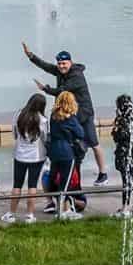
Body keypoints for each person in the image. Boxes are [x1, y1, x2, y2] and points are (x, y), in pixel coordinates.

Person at [24, 42, 106, 183]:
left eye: (64, 63)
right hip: (70, 113)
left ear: (71, 62)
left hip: (84, 114)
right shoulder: (60, 71)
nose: (61, 66)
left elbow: (63, 90)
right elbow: (46, 66)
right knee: (69, 143)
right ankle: (69, 171)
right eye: (60, 63)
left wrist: (45, 88)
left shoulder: (76, 76)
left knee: (94, 143)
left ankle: (103, 173)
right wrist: (31, 56)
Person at [2, 93, 48, 224]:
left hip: (20, 155)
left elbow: (15, 134)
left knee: (17, 184)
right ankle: (30, 215)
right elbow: (45, 138)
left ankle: (11, 213)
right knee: (32, 185)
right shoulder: (43, 120)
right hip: (37, 156)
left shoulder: (19, 115)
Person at [45, 91, 87, 219]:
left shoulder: (53, 116)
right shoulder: (71, 118)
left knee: (55, 178)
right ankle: (63, 212)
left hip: (54, 152)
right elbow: (80, 134)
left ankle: (62, 207)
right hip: (67, 152)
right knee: (66, 182)